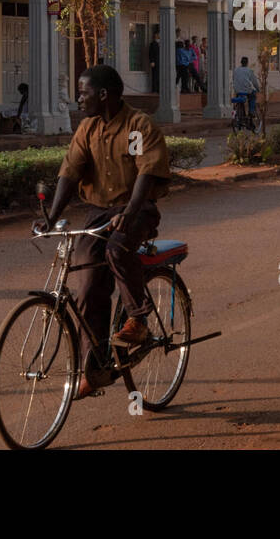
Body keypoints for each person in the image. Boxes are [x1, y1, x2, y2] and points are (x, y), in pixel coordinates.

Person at [41, 65, 171, 399]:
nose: (78, 98)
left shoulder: (137, 126)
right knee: (86, 282)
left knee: (116, 249)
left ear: (102, 95)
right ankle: (95, 366)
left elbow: (146, 173)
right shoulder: (86, 129)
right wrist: (50, 217)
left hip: (136, 209)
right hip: (99, 212)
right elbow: (70, 173)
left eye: (82, 92)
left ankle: (139, 319)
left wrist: (129, 213)